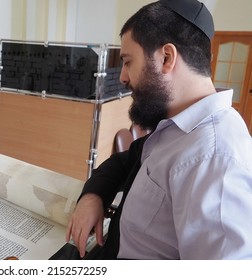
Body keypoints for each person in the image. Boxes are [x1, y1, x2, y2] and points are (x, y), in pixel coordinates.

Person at [66, 0, 252, 259]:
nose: (123, 77)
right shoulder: (178, 126)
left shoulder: (214, 158)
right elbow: (125, 162)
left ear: (166, 57)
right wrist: (93, 195)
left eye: (128, 61)